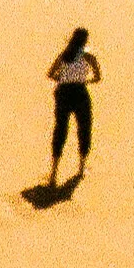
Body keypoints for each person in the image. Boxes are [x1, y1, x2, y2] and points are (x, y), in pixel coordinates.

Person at [48, 27, 102, 183]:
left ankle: (54, 172)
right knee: (84, 128)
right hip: (80, 93)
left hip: (63, 93)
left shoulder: (64, 55)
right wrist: (84, 80)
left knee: (60, 129)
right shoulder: (89, 57)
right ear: (85, 41)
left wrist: (62, 78)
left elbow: (50, 74)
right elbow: (98, 77)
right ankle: (81, 166)